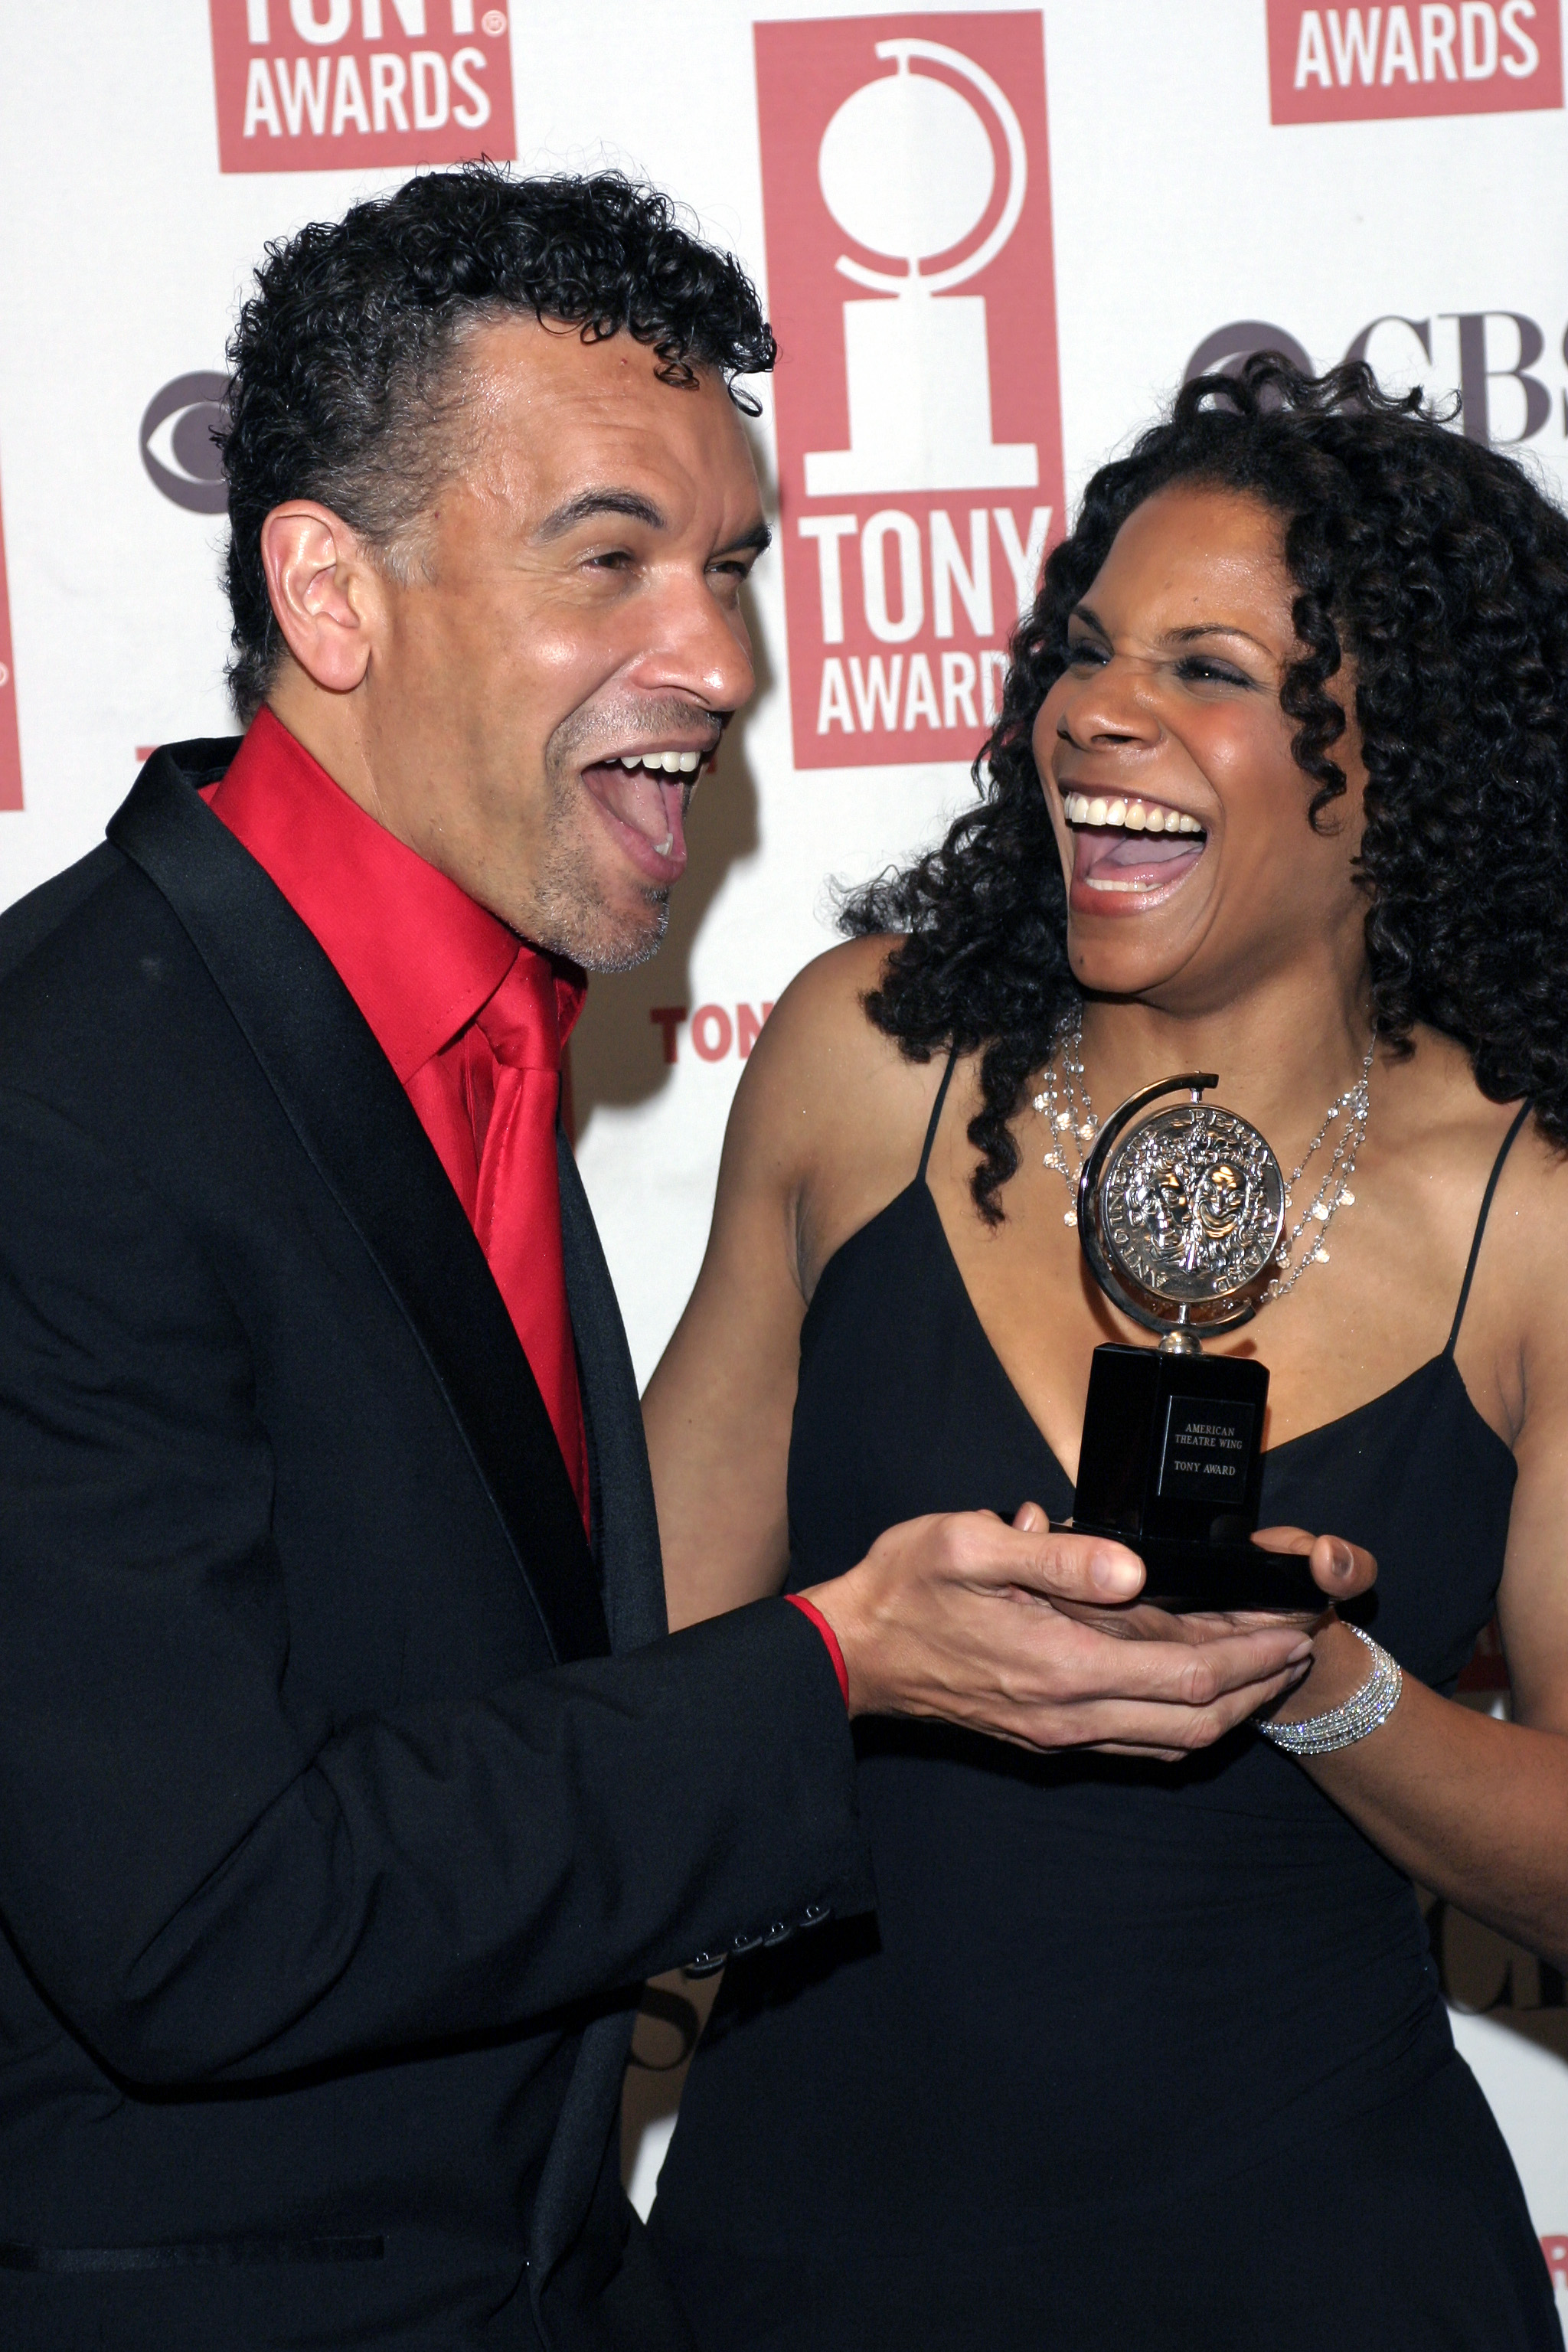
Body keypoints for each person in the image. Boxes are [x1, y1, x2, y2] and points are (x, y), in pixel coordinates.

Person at [0, 175, 1348, 2352]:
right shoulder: (60, 1108)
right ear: (329, 593)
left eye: (728, 568)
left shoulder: (474, 1029)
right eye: (606, 558)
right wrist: (837, 1669)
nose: (720, 659)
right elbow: (198, 1924)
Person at [642, 356, 1568, 2349]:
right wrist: (858, 1656)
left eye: (1212, 667)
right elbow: (623, 1693)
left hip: (1316, 2270)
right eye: (1083, 650)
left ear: (1398, 757)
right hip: (808, 2258)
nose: (1099, 712)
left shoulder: (1533, 1225)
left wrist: (1318, 1685)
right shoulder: (861, 1062)